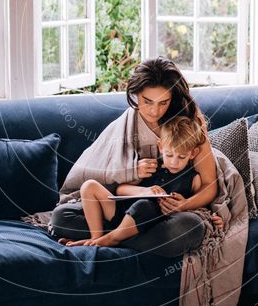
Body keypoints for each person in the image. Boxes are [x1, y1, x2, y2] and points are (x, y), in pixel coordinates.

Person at [50, 57, 220, 257]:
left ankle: (106, 240)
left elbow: (210, 184)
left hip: (165, 216)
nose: (154, 111)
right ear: (135, 93)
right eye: (147, 101)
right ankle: (116, 239)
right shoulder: (127, 124)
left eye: (163, 102)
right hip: (122, 207)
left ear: (172, 98)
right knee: (61, 217)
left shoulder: (187, 127)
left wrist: (184, 205)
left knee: (187, 228)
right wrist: (131, 171)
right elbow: (98, 177)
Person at [64, 116, 224, 248]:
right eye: (169, 155)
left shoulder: (193, 179)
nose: (174, 162)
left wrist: (211, 217)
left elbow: (201, 206)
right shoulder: (152, 167)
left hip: (147, 221)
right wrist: (144, 191)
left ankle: (109, 239)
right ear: (161, 147)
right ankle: (97, 238)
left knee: (146, 206)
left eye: (181, 157)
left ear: (193, 153)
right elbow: (120, 190)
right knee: (88, 186)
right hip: (120, 212)